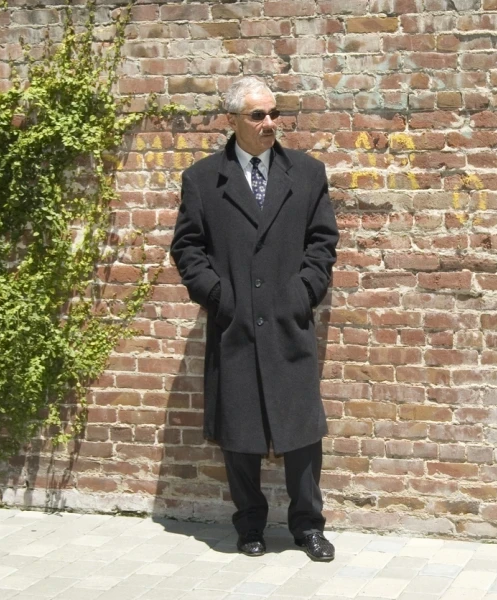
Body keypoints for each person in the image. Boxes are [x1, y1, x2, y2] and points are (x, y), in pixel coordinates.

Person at [170, 76, 339, 562]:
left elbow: (322, 241)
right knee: (240, 430)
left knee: (302, 430)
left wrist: (303, 291)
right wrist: (218, 296)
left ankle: (308, 526)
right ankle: (249, 525)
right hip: (234, 322)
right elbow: (187, 246)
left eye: (274, 114)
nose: (270, 124)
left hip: (289, 320)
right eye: (258, 115)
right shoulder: (203, 179)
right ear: (232, 121)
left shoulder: (306, 173)